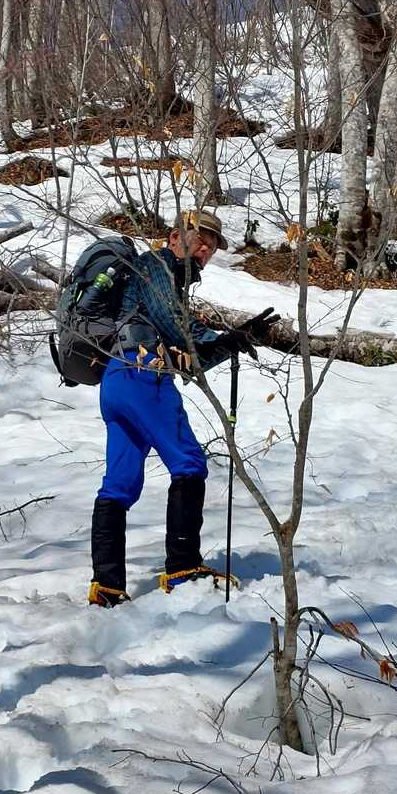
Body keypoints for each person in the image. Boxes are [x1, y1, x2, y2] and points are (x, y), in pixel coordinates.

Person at [88, 209, 273, 606]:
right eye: (200, 239)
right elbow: (175, 324)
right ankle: (183, 568)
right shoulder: (157, 267)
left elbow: (191, 358)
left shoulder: (159, 277)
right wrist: (223, 337)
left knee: (119, 483)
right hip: (144, 375)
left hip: (116, 379)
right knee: (189, 463)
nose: (205, 249)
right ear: (175, 237)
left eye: (212, 246)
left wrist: (232, 341)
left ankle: (106, 585)